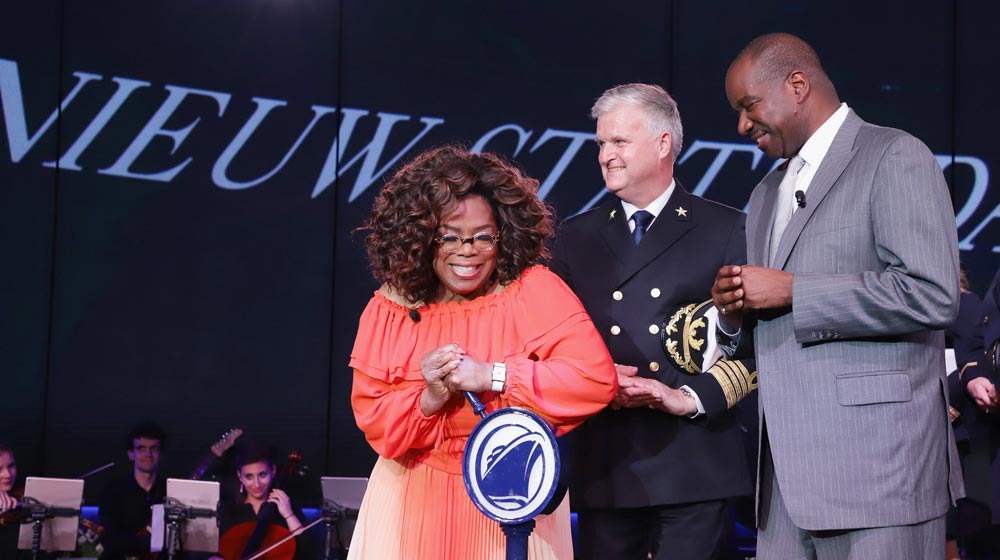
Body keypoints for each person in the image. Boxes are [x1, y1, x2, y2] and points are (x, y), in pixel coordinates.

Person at [712, 32, 963, 558]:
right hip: (782, 491)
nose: (741, 125)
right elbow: (767, 333)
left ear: (797, 85)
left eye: (749, 105)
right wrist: (736, 313)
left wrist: (794, 292)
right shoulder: (764, 194)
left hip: (881, 479)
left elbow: (932, 293)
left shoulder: (894, 155)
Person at [348, 145, 618, 559]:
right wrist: (430, 398)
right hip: (411, 499)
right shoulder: (391, 307)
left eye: (483, 237)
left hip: (514, 497)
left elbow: (594, 380)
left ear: (504, 233)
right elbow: (376, 424)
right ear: (420, 238)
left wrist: (492, 375)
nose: (468, 250)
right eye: (449, 237)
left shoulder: (532, 290)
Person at [549, 83, 756, 560]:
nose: (605, 155)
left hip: (694, 459)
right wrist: (591, 378)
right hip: (608, 460)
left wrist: (685, 398)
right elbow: (549, 343)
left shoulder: (727, 228)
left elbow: (757, 348)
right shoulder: (574, 237)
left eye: (619, 142)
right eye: (601, 143)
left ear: (663, 143)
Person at [215, 446, 308, 560]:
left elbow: (305, 550)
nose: (257, 484)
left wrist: (289, 515)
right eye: (249, 477)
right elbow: (216, 552)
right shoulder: (228, 511)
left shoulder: (288, 507)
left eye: (262, 475)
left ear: (273, 471)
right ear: (240, 476)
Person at [99, 422, 168, 560]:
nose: (148, 454)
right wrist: (149, 542)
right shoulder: (113, 490)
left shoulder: (170, 492)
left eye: (154, 448)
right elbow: (110, 540)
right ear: (131, 454)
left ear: (160, 454)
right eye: (141, 448)